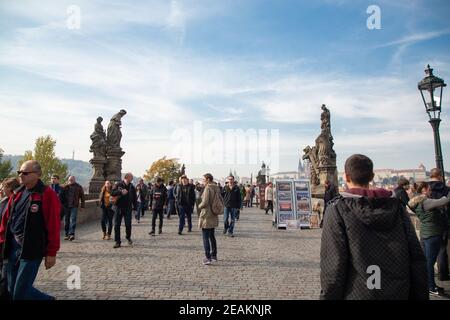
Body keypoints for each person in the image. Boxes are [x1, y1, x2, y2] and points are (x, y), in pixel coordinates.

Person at [320, 154, 428, 300]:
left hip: (358, 294)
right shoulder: (397, 207)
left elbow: (333, 266)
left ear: (346, 177)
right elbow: (416, 257)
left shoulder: (337, 209)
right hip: (398, 293)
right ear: (372, 176)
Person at [0, 160, 60, 300]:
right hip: (12, 246)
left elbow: (53, 225)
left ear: (37, 174)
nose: (21, 175)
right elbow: (6, 220)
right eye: (19, 172)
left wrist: (51, 252)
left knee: (20, 292)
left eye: (25, 173)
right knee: (11, 287)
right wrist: (2, 240)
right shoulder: (18, 193)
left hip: (32, 248)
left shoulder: (46, 194)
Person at [409, 181, 450, 296]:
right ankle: (431, 287)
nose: (431, 191)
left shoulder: (415, 202)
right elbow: (445, 201)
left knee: (426, 261)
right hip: (433, 234)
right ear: (425, 190)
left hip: (424, 234)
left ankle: (427, 285)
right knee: (429, 262)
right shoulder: (427, 201)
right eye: (429, 189)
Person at [428, 168, 450, 281]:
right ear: (440, 176)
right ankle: (443, 274)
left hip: (429, 223)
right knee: (442, 249)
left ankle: (429, 278)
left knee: (429, 253)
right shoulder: (446, 189)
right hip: (443, 221)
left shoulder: (425, 189)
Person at [198, 173, 220, 265]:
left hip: (207, 214)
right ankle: (214, 255)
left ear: (207, 179)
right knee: (212, 236)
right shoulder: (216, 188)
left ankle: (207, 257)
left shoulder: (208, 188)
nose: (203, 181)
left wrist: (199, 205)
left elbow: (205, 202)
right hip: (213, 214)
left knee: (205, 237)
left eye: (204, 179)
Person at [111, 173, 137, 248]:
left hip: (128, 209)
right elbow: (112, 193)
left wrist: (135, 208)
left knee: (128, 224)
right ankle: (117, 241)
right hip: (118, 208)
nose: (132, 179)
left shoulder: (132, 186)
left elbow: (134, 198)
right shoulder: (118, 184)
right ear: (127, 178)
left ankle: (128, 237)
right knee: (116, 225)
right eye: (131, 177)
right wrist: (121, 192)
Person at [60, 176, 85, 241]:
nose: (71, 181)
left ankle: (71, 234)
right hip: (66, 206)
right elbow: (61, 197)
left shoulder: (78, 187)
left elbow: (82, 197)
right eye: (70, 180)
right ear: (68, 180)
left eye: (72, 179)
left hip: (74, 206)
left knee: (73, 220)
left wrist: (82, 206)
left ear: (74, 180)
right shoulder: (65, 187)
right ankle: (66, 234)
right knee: (66, 220)